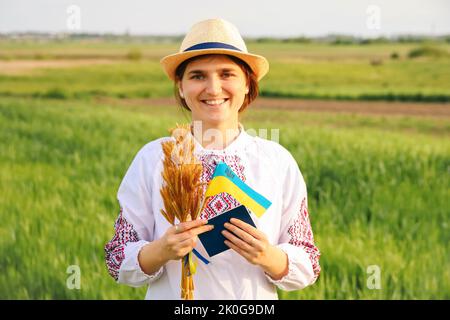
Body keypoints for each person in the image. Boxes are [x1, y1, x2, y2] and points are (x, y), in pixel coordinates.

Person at [104, 18, 320, 300]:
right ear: (180, 87)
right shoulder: (153, 158)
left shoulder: (276, 161)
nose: (214, 88)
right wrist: (162, 250)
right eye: (198, 76)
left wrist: (268, 256)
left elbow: (308, 263)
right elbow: (117, 258)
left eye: (227, 74)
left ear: (247, 85)